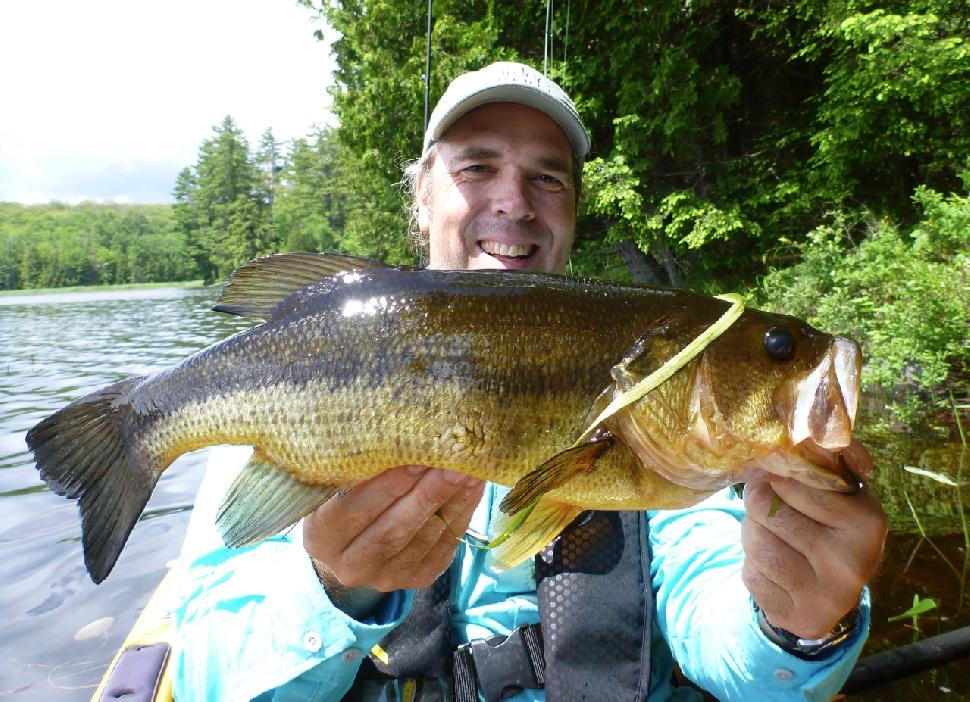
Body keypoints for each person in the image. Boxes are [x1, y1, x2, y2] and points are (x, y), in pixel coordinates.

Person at [171, 62, 887, 702]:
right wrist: (330, 584)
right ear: (421, 194)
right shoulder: (310, 369)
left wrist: (799, 621)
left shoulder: (667, 433)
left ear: (573, 208)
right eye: (476, 168)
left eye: (547, 177)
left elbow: (734, 647)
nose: (514, 202)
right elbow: (208, 680)